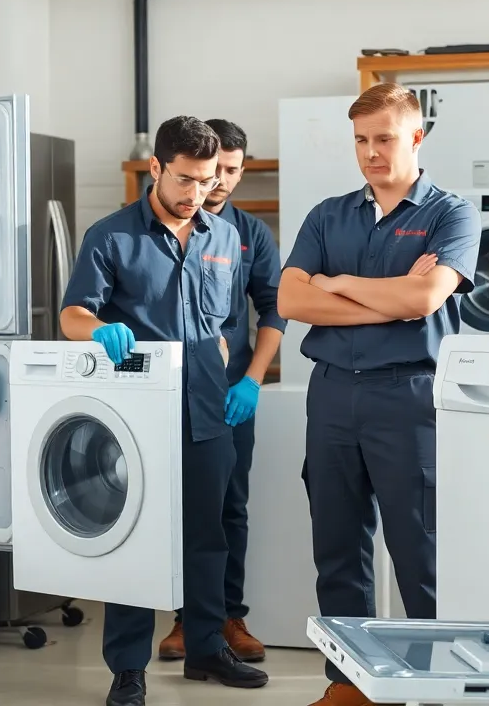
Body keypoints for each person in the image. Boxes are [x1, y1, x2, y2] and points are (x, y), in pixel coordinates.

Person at [277, 82, 481, 706]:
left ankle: (438, 688)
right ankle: (349, 686)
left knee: (422, 553)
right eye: (361, 140)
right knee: (337, 549)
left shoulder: (451, 214)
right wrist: (384, 296)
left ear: (416, 137)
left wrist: (337, 286)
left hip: (410, 398)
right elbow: (291, 301)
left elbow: (424, 300)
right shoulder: (327, 214)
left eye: (384, 139)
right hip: (333, 396)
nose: (371, 152)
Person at [59, 116, 269, 706]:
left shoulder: (224, 237)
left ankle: (206, 647)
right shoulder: (111, 235)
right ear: (156, 168)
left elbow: (225, 322)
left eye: (206, 181)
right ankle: (128, 669)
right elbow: (72, 314)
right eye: (185, 180)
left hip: (209, 408)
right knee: (134, 540)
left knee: (209, 536)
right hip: (133, 417)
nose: (196, 193)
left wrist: (227, 361)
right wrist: (100, 330)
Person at [158, 119, 284, 664]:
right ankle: (186, 619)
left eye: (232, 171)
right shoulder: (163, 226)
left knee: (229, 504)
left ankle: (228, 617)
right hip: (166, 392)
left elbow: (274, 308)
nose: (221, 183)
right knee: (171, 506)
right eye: (216, 172)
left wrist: (253, 380)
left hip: (230, 394)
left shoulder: (249, 235)